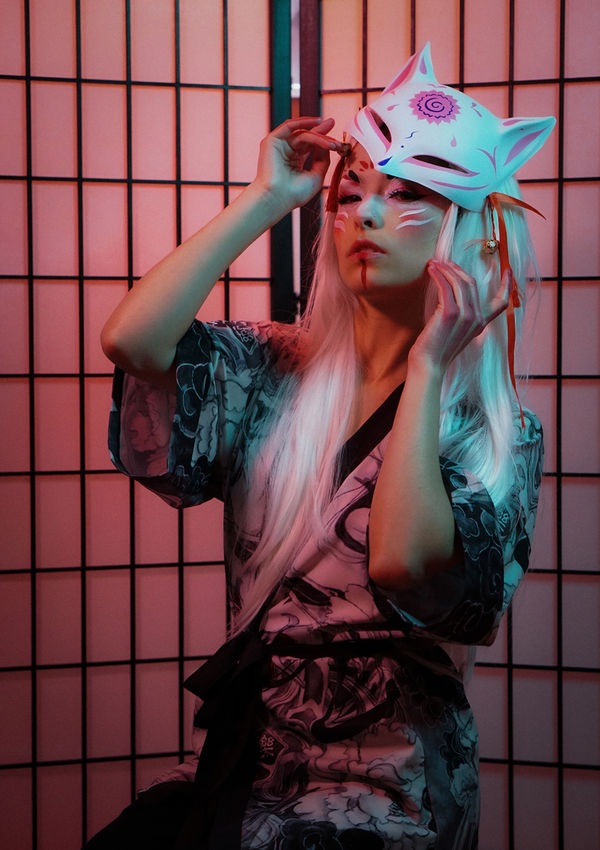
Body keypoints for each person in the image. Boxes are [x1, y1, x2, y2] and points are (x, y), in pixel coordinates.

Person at [88, 44, 553, 850]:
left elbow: (402, 563)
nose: (367, 215)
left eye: (408, 196)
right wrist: (265, 199)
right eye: (352, 192)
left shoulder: (497, 432)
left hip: (390, 785)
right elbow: (132, 341)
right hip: (248, 762)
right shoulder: (272, 368)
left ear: (474, 234)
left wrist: (428, 367)